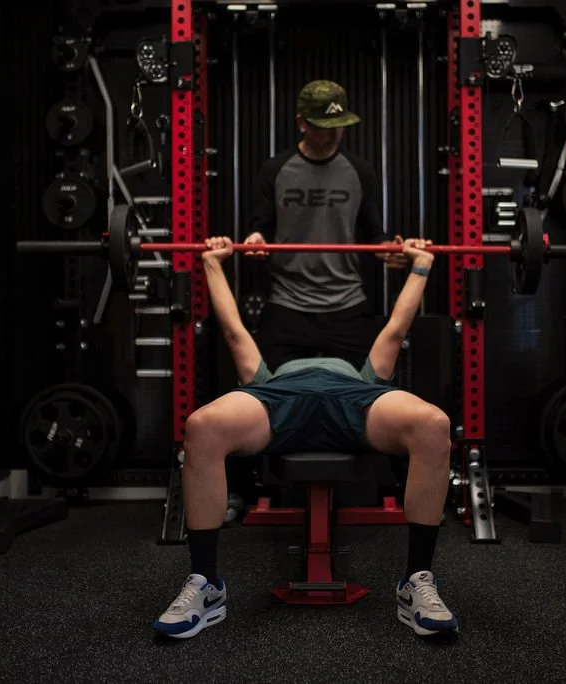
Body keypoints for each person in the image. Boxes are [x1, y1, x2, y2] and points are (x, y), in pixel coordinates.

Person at [153, 236, 458, 640]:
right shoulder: (267, 375)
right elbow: (233, 331)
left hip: (354, 398)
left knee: (433, 424)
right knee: (202, 425)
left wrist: (422, 263)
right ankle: (206, 584)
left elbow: (395, 328)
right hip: (280, 398)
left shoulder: (364, 373)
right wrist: (211, 261)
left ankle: (416, 581)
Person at [242, 79, 409, 372]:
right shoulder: (275, 170)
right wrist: (255, 239)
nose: (333, 133)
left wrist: (388, 249)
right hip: (288, 304)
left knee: (360, 399)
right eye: (323, 125)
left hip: (347, 305)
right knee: (274, 401)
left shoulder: (360, 171)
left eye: (339, 124)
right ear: (301, 123)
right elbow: (261, 228)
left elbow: (374, 233)